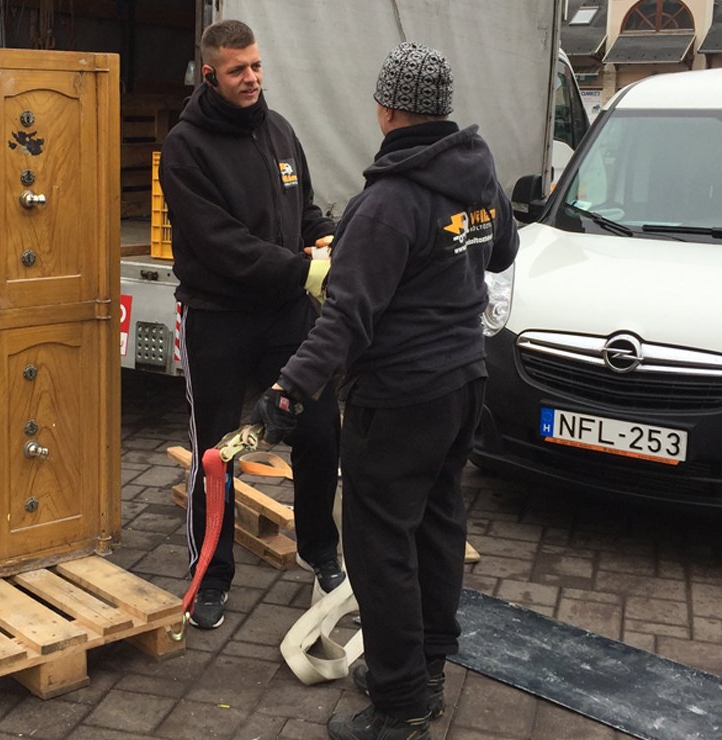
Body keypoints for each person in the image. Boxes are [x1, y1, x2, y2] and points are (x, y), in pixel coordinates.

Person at [251, 42, 519, 739]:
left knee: (380, 549)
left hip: (399, 398)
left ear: (388, 107)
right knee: (435, 527)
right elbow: (504, 252)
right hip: (465, 383)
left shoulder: (391, 199)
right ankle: (424, 668)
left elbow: (347, 316)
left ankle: (400, 706)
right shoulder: (478, 175)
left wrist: (287, 393)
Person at [158, 19, 344, 630]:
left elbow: (305, 207)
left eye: (257, 66)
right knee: (215, 449)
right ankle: (210, 575)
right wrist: (302, 271)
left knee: (318, 431)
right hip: (218, 317)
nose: (252, 79)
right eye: (238, 70)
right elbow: (221, 246)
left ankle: (321, 550)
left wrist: (325, 238)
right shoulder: (185, 148)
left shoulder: (280, 130)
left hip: (286, 316)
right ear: (210, 75)